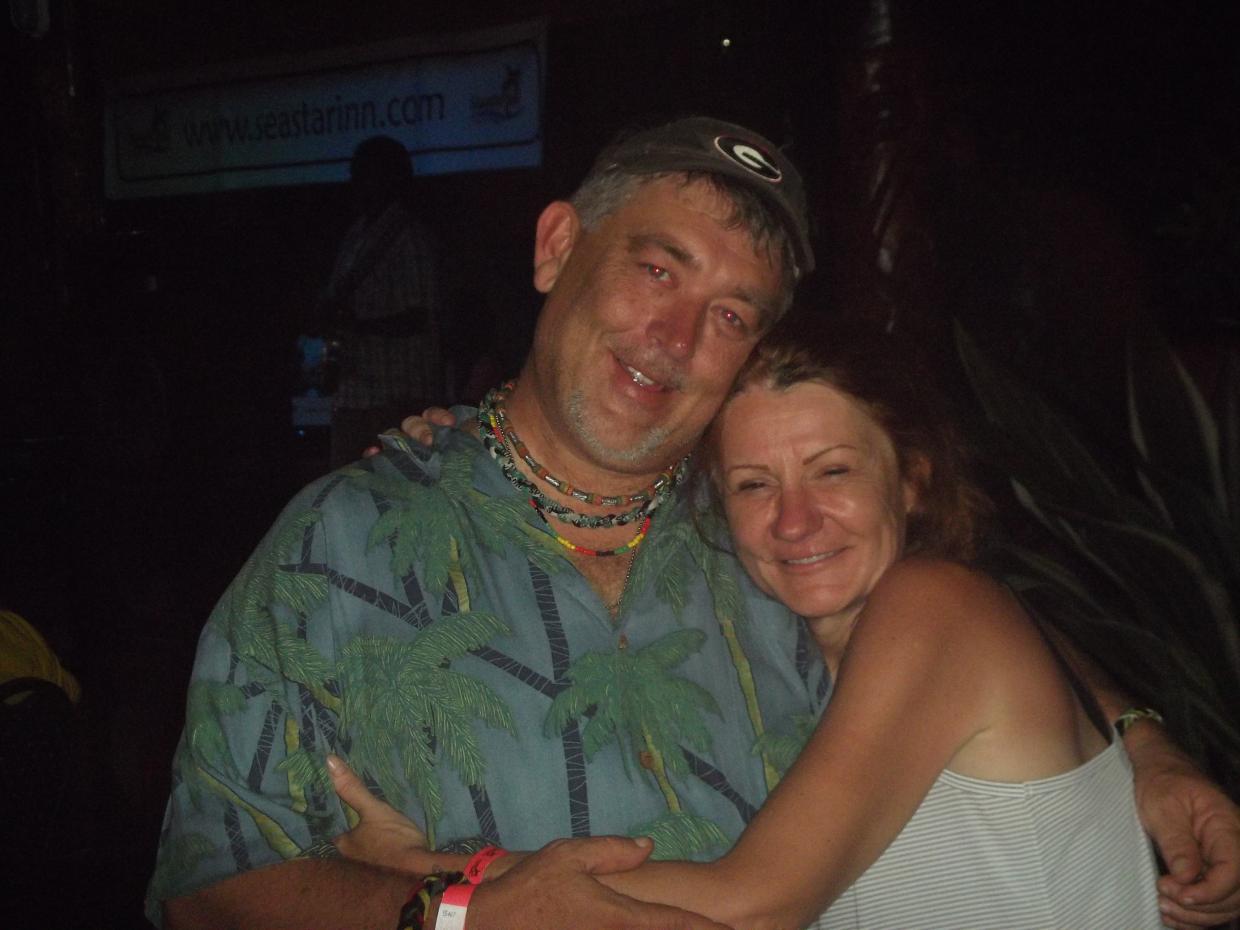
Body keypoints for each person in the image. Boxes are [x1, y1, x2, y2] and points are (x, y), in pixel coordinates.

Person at [148, 116, 1239, 930]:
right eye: (656, 268)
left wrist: (1140, 740)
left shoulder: (766, 536)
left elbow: (964, 621)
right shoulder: (344, 542)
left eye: (728, 315)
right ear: (556, 247)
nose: (674, 338)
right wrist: (431, 915)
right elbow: (208, 887)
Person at [333, 324, 1189, 927]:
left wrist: (431, 883)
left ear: (913, 481)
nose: (794, 520)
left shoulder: (935, 605)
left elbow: (751, 904)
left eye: (833, 471)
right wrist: (480, 455)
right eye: (753, 484)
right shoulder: (800, 668)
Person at [321, 135, 442, 468]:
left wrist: (358, 325)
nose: (354, 182)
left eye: (363, 173)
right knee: (345, 488)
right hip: (352, 393)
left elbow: (420, 317)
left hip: (395, 397)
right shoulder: (356, 234)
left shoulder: (410, 236)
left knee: (396, 490)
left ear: (390, 177)